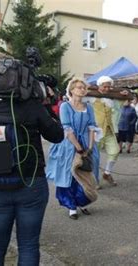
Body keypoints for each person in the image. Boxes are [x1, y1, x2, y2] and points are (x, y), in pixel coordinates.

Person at [0, 54, 64, 265]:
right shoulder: (31, 105)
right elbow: (56, 135)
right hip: (30, 183)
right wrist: (48, 104)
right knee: (29, 245)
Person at [47, 78, 99, 219]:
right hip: (68, 144)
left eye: (83, 87)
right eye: (78, 87)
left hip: (85, 143)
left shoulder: (89, 107)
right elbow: (67, 129)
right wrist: (78, 148)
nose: (82, 89)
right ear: (71, 90)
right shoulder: (65, 106)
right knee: (69, 175)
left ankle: (82, 202)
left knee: (84, 173)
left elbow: (92, 127)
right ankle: (71, 206)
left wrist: (89, 146)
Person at [85, 76, 126, 187]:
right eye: (104, 86)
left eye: (109, 86)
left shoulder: (111, 99)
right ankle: (94, 180)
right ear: (99, 86)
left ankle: (107, 173)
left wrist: (124, 94)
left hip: (108, 129)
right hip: (95, 131)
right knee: (95, 156)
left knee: (115, 151)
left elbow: (122, 103)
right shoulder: (91, 97)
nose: (107, 89)